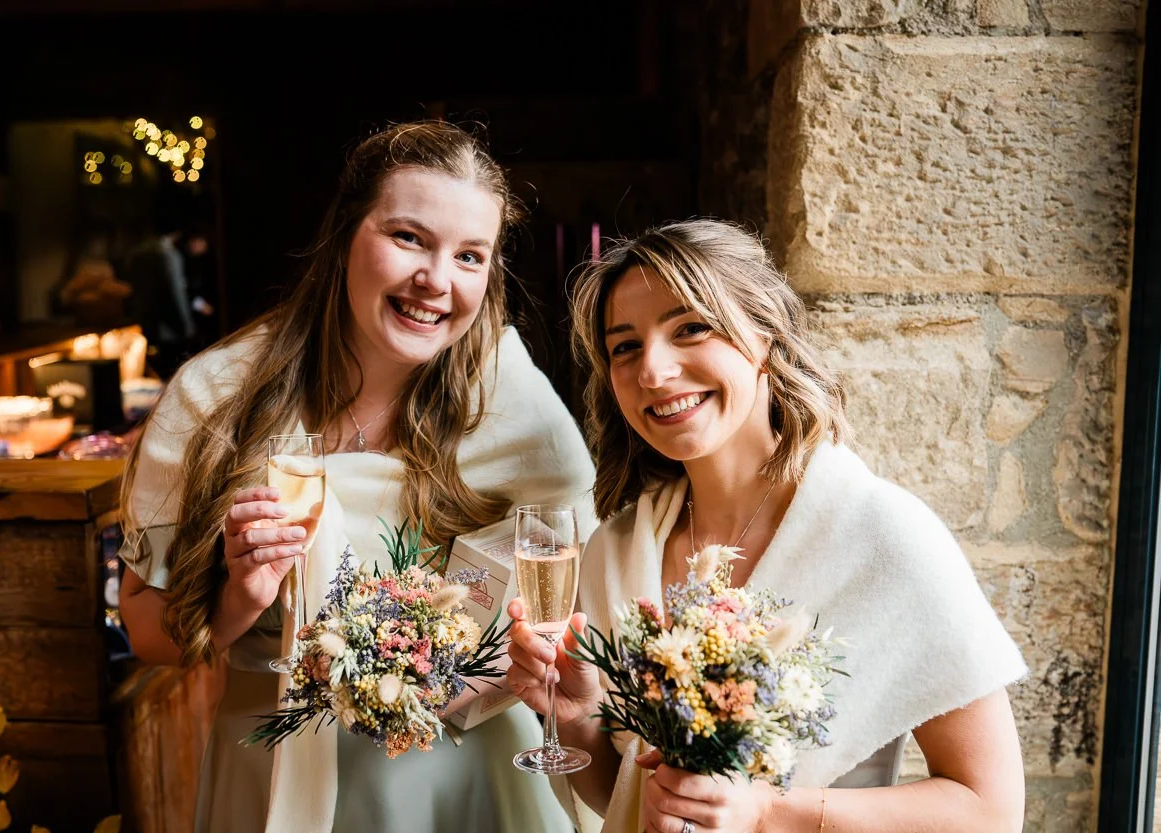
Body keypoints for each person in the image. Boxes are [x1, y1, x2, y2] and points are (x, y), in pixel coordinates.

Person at [117, 120, 598, 833]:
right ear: (346, 233)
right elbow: (144, 625)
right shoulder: (214, 397)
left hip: (470, 780)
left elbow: (572, 595)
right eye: (408, 237)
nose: (437, 280)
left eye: (470, 256)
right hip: (275, 770)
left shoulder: (510, 399)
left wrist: (504, 670)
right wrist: (236, 601)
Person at [506, 219, 1027, 833]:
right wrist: (576, 716)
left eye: (690, 328)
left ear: (766, 337)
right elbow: (625, 798)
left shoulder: (885, 538)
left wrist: (766, 812)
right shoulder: (615, 549)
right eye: (625, 346)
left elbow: (990, 810)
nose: (653, 370)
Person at [122, 213, 197, 379]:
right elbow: (176, 293)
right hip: (169, 324)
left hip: (146, 321)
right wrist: (187, 327)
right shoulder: (168, 255)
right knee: (175, 372)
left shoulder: (136, 254)